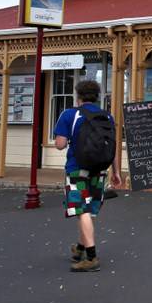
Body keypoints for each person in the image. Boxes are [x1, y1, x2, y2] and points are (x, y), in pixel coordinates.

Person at [53, 80, 119, 273]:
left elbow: (59, 144)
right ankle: (80, 248)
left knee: (82, 210)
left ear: (78, 96)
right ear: (97, 97)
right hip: (100, 169)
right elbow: (112, 146)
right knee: (88, 212)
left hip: (77, 169)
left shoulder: (69, 114)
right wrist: (116, 172)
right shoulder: (107, 116)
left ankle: (91, 257)